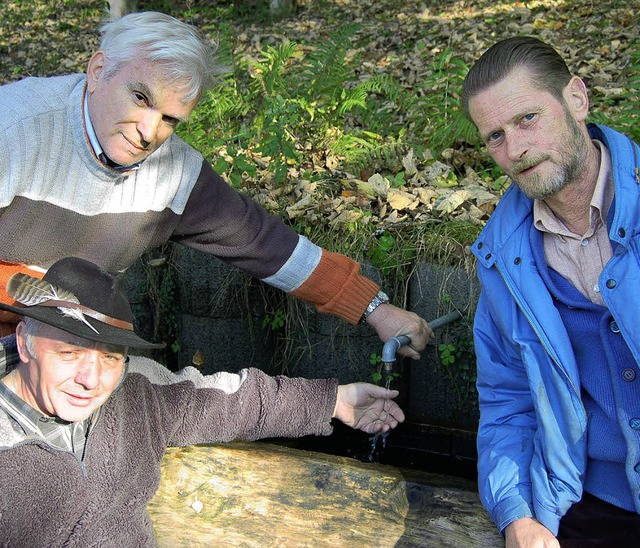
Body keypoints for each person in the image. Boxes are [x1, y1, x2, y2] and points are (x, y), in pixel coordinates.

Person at [0, 11, 430, 357]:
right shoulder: (14, 128)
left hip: (68, 347)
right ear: (97, 70)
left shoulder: (175, 174)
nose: (148, 131)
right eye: (140, 98)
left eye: (170, 118)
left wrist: (374, 308)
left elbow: (265, 245)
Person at [0, 256, 405, 545]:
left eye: (109, 357)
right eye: (68, 353)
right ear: (24, 343)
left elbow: (234, 400)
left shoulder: (137, 393)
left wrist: (332, 401)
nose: (90, 380)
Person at [461, 36, 640, 547]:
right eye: (494, 136)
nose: (514, 150)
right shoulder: (502, 259)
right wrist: (516, 511)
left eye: (527, 119)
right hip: (585, 503)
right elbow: (508, 400)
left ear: (577, 100)